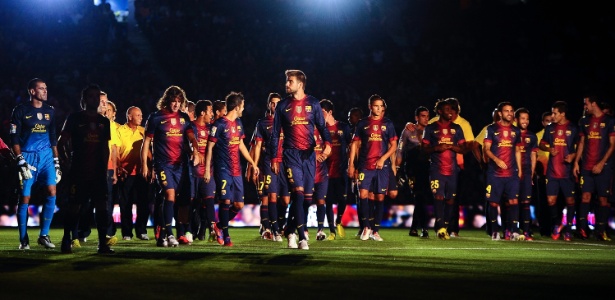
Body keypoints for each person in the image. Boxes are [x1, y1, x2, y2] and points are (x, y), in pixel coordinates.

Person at [269, 69, 331, 250]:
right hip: (290, 154)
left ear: (300, 84)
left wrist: (327, 143)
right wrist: (274, 157)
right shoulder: (282, 106)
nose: (286, 84)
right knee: (297, 192)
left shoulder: (313, 103)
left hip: (309, 155)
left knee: (306, 199)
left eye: (290, 81)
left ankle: (289, 230)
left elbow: (322, 126)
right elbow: (274, 135)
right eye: (286, 81)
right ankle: (302, 236)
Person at [141, 85, 201, 248]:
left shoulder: (183, 118)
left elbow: (191, 137)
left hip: (180, 166)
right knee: (170, 195)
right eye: (173, 101)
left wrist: (196, 149)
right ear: (167, 100)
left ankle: (163, 234)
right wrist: (145, 165)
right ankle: (169, 234)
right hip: (162, 164)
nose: (176, 104)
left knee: (175, 200)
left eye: (179, 101)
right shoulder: (156, 117)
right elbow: (146, 142)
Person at [58, 84, 114, 254]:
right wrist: (66, 161)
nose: (95, 99)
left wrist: (104, 169)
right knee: (74, 206)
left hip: (98, 173)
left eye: (97, 96)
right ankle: (67, 239)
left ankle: (102, 243)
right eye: (91, 96)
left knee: (102, 206)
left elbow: (105, 147)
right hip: (79, 172)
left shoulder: (104, 122)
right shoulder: (74, 118)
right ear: (84, 99)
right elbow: (61, 142)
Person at [9, 78, 60, 250]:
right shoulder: (20, 110)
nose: (45, 91)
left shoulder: (50, 111)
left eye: (46, 88)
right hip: (27, 156)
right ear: (32, 91)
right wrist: (20, 160)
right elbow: (14, 137)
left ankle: (44, 235)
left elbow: (53, 138)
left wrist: (56, 161)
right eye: (41, 88)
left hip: (46, 156)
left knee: (52, 191)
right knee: (25, 197)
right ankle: (24, 240)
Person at [205, 91, 259, 246]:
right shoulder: (219, 124)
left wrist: (252, 163)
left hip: (236, 170)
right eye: (242, 106)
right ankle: (226, 236)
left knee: (239, 205)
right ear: (236, 107)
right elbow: (209, 147)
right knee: (225, 201)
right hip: (223, 169)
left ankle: (219, 225)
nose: (243, 109)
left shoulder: (238, 124)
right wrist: (208, 170)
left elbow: (240, 145)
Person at [348, 94, 397, 241]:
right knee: (363, 195)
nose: (379, 108)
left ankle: (375, 230)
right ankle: (367, 227)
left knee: (379, 197)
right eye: (376, 105)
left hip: (382, 166)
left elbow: (394, 145)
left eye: (381, 106)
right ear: (370, 107)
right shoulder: (362, 123)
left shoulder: (388, 124)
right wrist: (351, 165)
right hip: (365, 165)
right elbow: (355, 144)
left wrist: (383, 159)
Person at [422, 100, 466, 240]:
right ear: (440, 111)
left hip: (452, 171)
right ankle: (440, 226)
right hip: (436, 169)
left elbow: (464, 149)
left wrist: (452, 147)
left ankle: (444, 226)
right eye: (447, 109)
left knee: (450, 200)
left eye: (452, 110)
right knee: (438, 196)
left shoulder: (457, 128)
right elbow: (424, 149)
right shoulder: (430, 128)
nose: (450, 112)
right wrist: (436, 148)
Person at [573, 96, 615, 241]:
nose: (585, 107)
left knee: (603, 199)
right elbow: (582, 143)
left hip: (603, 167)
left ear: (593, 103)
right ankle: (583, 230)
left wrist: (602, 163)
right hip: (586, 167)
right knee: (585, 197)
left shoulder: (609, 121)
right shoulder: (584, 121)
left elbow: (612, 145)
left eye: (586, 104)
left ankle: (601, 231)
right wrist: (576, 162)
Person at [248, 93, 288, 242]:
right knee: (268, 196)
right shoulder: (263, 123)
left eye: (278, 103)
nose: (275, 105)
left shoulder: (287, 121)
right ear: (268, 105)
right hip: (268, 164)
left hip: (285, 163)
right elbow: (257, 146)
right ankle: (273, 229)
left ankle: (280, 224)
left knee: (285, 200)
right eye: (272, 103)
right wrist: (253, 165)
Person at [538, 101, 578, 241]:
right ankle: (557, 225)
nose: (553, 116)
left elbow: (580, 146)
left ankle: (568, 230)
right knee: (550, 201)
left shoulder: (573, 128)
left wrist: (573, 156)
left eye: (555, 113)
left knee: (570, 201)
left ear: (562, 114)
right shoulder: (550, 129)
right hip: (552, 171)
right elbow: (541, 144)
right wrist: (549, 149)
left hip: (567, 172)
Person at [483, 101, 523, 241]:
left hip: (511, 173)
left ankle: (514, 231)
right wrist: (497, 160)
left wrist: (520, 170)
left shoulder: (516, 131)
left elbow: (517, 150)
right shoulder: (492, 129)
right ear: (500, 113)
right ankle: (495, 231)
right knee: (493, 203)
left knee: (513, 201)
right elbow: (486, 149)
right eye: (507, 111)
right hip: (495, 174)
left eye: (511, 111)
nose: (510, 113)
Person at [116, 106, 151, 240]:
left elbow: (149, 152)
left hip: (142, 172)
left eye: (141, 115)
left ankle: (142, 230)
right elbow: (116, 150)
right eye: (138, 115)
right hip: (126, 172)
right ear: (130, 116)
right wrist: (119, 166)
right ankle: (127, 233)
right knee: (126, 204)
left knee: (144, 202)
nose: (141, 117)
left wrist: (151, 168)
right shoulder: (120, 130)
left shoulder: (144, 131)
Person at [397, 106, 431, 238]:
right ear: (417, 118)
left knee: (422, 198)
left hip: (428, 168)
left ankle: (415, 228)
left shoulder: (431, 130)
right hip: (413, 169)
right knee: (419, 196)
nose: (426, 119)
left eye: (428, 116)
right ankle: (423, 228)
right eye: (423, 116)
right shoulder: (408, 131)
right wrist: (398, 169)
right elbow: (400, 150)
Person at [321, 99, 352, 240]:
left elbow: (352, 148)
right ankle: (332, 231)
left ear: (330, 112)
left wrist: (352, 165)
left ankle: (339, 221)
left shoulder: (343, 128)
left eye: (322, 113)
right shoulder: (321, 130)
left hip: (342, 170)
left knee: (342, 200)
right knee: (328, 201)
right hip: (326, 172)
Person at [514, 108, 538, 240]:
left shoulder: (532, 137)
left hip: (527, 173)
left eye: (527, 119)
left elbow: (533, 156)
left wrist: (532, 175)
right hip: (513, 172)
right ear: (516, 120)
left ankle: (527, 231)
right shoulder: (512, 134)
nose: (525, 121)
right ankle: (512, 229)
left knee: (526, 202)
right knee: (512, 202)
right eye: (523, 118)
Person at [535, 111, 552, 236]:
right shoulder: (537, 137)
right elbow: (533, 156)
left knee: (556, 202)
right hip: (542, 174)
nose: (549, 123)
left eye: (551, 120)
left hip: (557, 174)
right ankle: (544, 228)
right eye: (547, 120)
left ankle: (554, 226)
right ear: (543, 123)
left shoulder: (557, 134)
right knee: (542, 203)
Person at [347, 107, 363, 235]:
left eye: (351, 116)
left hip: (363, 168)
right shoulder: (349, 131)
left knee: (367, 197)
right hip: (353, 168)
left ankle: (369, 226)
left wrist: (356, 167)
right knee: (358, 198)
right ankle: (363, 226)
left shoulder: (363, 131)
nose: (349, 118)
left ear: (358, 117)